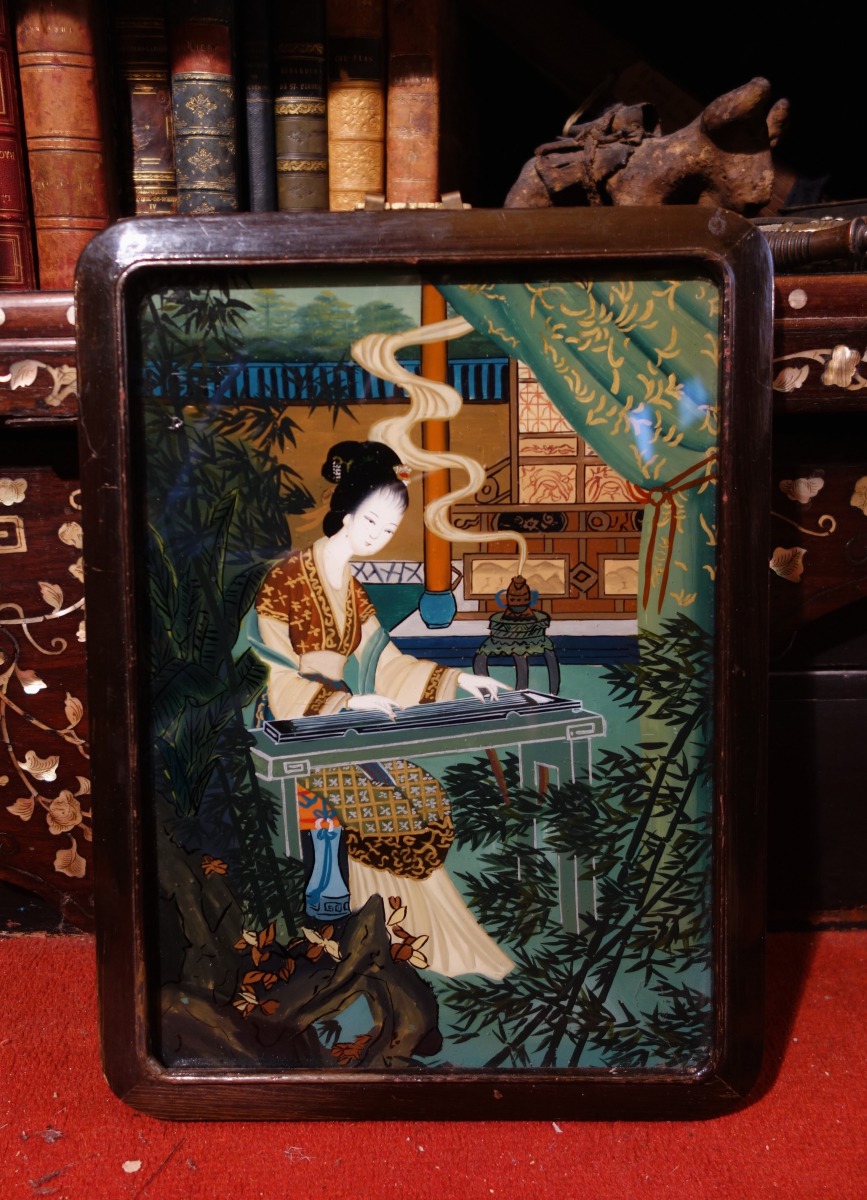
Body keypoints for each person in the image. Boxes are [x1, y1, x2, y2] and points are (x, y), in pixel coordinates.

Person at [251, 439, 515, 980]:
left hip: (337, 719)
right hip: (290, 720)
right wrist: (346, 701)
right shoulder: (286, 579)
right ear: (346, 512)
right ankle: (364, 930)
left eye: (389, 528)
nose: (377, 535)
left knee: (419, 798)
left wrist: (459, 679)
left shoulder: (352, 588)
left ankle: (406, 936)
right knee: (384, 811)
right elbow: (274, 672)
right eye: (371, 520)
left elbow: (386, 662)